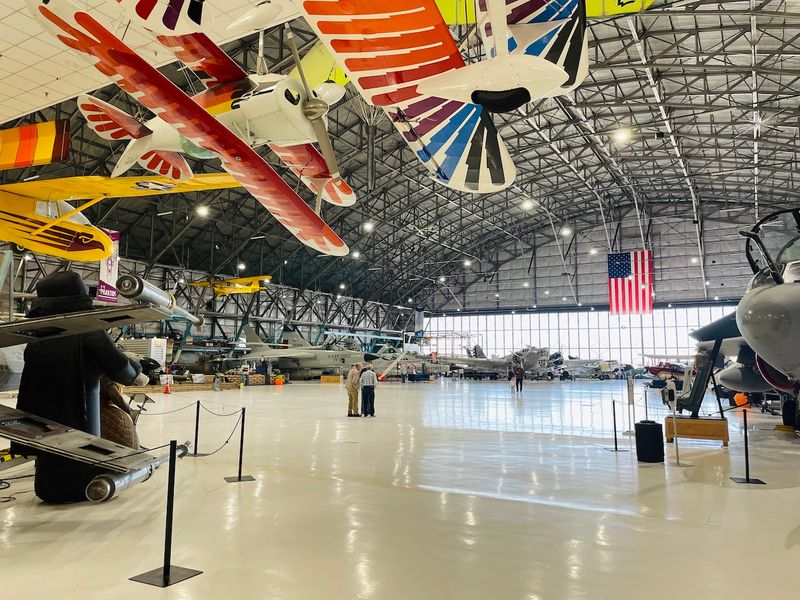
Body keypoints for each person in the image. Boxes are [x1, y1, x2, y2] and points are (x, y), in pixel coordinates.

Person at [14, 272, 148, 504]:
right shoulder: (86, 329)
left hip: (41, 426)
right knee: (82, 457)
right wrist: (137, 372)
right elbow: (119, 368)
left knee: (51, 461)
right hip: (80, 420)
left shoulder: (36, 332)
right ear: (79, 296)